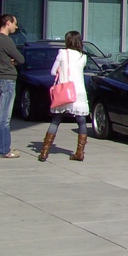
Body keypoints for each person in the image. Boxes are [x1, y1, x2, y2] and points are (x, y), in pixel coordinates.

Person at [39, 31, 89, 162]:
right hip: (78, 91)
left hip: (64, 91)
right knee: (81, 121)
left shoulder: (62, 53)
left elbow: (52, 71)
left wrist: (60, 70)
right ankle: (80, 152)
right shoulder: (83, 57)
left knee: (56, 120)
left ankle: (44, 152)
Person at [0, 14, 25, 159]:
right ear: (8, 23)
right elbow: (21, 59)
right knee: (4, 118)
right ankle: (3, 149)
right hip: (7, 80)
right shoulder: (6, 40)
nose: (16, 26)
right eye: (15, 23)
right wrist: (12, 61)